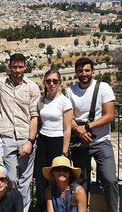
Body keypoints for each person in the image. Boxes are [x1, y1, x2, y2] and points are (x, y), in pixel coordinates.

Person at [65, 57, 118, 211]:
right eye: (80, 70)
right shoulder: (70, 91)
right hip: (80, 142)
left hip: (101, 141)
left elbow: (109, 115)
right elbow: (70, 117)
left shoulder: (104, 88)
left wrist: (88, 126)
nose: (84, 73)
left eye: (87, 70)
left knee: (110, 179)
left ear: (93, 71)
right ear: (76, 72)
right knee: (81, 181)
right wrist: (79, 131)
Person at [0, 53, 40, 212]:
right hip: (7, 137)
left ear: (25, 67)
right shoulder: (0, 83)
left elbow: (34, 116)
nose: (17, 70)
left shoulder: (32, 87)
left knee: (25, 181)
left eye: (20, 67)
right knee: (12, 178)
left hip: (25, 137)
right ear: (9, 67)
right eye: (14, 67)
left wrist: (30, 141)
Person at [34, 69, 73, 211]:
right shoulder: (41, 100)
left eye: (55, 81)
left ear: (60, 83)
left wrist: (64, 151)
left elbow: (67, 128)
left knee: (56, 178)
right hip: (43, 141)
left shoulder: (65, 102)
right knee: (40, 177)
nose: (51, 84)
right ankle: (41, 206)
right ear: (44, 82)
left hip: (58, 142)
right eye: (48, 81)